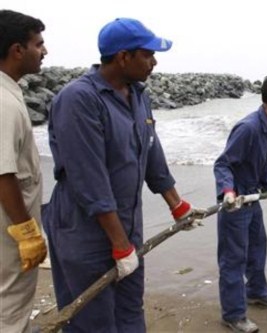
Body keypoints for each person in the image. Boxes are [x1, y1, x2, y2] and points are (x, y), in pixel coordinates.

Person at [42, 18, 204, 332]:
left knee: (130, 309)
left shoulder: (138, 95)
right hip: (84, 231)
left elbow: (152, 153)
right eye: (148, 54)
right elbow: (89, 179)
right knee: (92, 320)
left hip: (127, 225)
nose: (154, 62)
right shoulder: (79, 99)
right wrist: (118, 243)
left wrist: (177, 204)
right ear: (123, 57)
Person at [213, 75, 267, 333]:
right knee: (233, 259)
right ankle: (233, 315)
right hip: (235, 203)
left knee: (258, 247)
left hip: (253, 199)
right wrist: (227, 192)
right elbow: (223, 164)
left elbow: (259, 168)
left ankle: (256, 292)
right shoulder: (248, 128)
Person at [0, 10, 48, 333]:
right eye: (38, 44)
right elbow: (3, 174)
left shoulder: (10, 92)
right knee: (10, 310)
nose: (44, 51)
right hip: (9, 233)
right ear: (18, 50)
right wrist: (27, 233)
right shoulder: (3, 103)